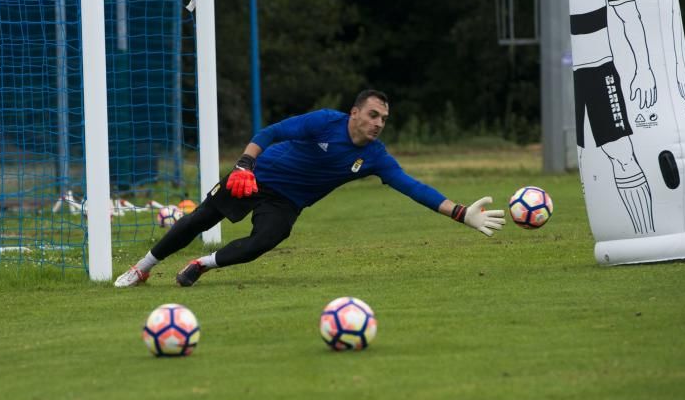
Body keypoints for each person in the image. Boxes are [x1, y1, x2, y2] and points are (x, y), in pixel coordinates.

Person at [114, 89, 505, 288]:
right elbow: (270, 132)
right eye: (373, 114)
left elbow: (412, 187)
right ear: (355, 113)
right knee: (200, 218)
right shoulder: (323, 121)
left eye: (384, 118)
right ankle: (143, 268)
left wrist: (461, 212)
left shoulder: (376, 157)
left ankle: (201, 265)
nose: (378, 123)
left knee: (264, 240)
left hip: (286, 202)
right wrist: (244, 163)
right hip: (257, 175)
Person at [570, 0, 657, 234]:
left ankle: (646, 234)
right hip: (573, 78)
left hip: (599, 71)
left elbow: (631, 19)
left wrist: (644, 69)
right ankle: (614, 232)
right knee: (587, 159)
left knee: (621, 152)